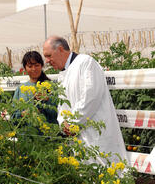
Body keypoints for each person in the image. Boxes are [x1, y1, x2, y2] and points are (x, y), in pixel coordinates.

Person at [43, 36, 127, 164]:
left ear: (60, 49)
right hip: (77, 136)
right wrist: (63, 123)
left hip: (96, 132)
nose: (47, 61)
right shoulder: (63, 74)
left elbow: (91, 97)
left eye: (49, 56)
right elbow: (62, 105)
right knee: (85, 172)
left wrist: (72, 123)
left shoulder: (86, 63)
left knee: (107, 171)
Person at [13, 51, 58, 124]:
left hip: (47, 134)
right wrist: (22, 114)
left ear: (42, 66)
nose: (34, 69)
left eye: (37, 65)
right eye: (30, 66)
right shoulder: (20, 89)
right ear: (25, 68)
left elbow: (59, 113)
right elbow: (13, 116)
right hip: (26, 133)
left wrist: (47, 100)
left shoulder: (51, 87)